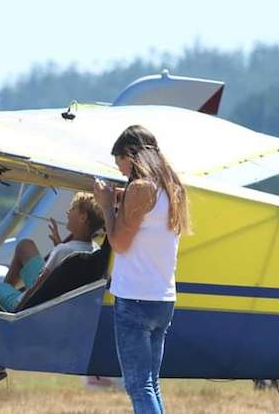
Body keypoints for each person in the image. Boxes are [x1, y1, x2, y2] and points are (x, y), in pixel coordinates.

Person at [94, 124, 191, 414]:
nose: (120, 169)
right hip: (162, 298)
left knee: (138, 386)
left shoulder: (140, 188)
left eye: (119, 161)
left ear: (130, 155)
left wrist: (107, 206)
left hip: (135, 298)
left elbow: (120, 244)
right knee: (150, 383)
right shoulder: (172, 189)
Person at [0, 192, 105, 388]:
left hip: (32, 306)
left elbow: (40, 283)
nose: (68, 211)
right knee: (25, 245)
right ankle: (7, 292)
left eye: (72, 209)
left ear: (83, 217)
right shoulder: (94, 252)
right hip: (56, 302)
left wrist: (14, 312)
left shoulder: (63, 251)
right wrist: (59, 245)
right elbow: (62, 276)